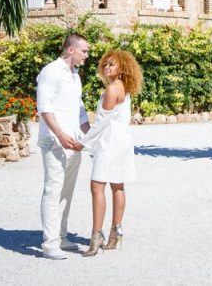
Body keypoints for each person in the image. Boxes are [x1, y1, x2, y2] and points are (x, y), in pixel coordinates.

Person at [78, 49, 142, 256]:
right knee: (117, 186)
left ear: (122, 67)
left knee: (97, 186)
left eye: (111, 64)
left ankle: (96, 237)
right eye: (105, 64)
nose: (107, 67)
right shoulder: (125, 88)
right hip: (122, 142)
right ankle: (116, 232)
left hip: (110, 144)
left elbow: (101, 124)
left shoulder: (112, 90)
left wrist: (82, 142)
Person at [36, 34, 90, 259]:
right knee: (53, 189)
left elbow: (79, 109)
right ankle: (49, 244)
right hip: (54, 142)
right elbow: (44, 107)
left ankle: (61, 235)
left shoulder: (75, 74)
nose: (87, 56)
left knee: (67, 191)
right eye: (84, 51)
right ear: (70, 50)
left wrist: (91, 136)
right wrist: (60, 134)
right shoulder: (51, 71)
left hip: (74, 142)